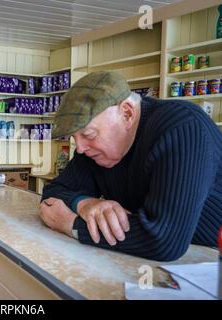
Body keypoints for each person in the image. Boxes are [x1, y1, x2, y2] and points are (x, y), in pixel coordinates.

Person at [39, 71, 222, 261]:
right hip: (173, 254)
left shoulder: (183, 127)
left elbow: (164, 240)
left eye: (89, 134)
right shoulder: (94, 150)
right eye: (75, 138)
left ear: (127, 113)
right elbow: (54, 192)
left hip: (212, 257)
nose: (81, 149)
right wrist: (84, 203)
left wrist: (72, 224)